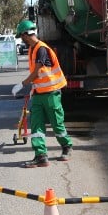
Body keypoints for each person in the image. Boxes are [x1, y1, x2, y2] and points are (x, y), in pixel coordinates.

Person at [16, 19, 73, 168]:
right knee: (36, 126)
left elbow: (37, 71)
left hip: (51, 93)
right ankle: (40, 156)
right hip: (38, 94)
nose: (22, 39)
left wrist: (23, 84)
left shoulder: (41, 48)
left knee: (56, 124)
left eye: (21, 36)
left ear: (26, 34)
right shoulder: (32, 49)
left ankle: (67, 146)